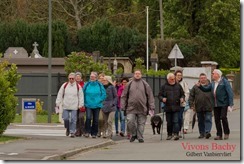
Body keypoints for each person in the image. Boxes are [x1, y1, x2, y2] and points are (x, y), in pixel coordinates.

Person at [121, 69, 155, 143]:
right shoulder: (129, 84)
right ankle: (134, 134)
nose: (137, 75)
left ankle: (140, 137)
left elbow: (150, 95)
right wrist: (122, 105)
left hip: (142, 107)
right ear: (134, 75)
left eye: (139, 73)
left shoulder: (145, 84)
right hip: (130, 107)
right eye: (136, 73)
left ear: (141, 75)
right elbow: (124, 96)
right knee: (130, 121)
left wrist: (151, 106)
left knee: (141, 123)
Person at [198, 69, 234, 140]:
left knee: (223, 117)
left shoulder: (224, 82)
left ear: (218, 74)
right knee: (217, 119)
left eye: (213, 73)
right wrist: (200, 86)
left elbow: (230, 93)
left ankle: (226, 132)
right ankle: (219, 135)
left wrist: (230, 104)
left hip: (223, 103)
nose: (212, 75)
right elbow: (207, 89)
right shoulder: (213, 83)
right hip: (215, 104)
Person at [56, 72, 84, 138]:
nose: (71, 80)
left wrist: (80, 104)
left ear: (74, 79)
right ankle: (67, 128)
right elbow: (60, 94)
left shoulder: (78, 86)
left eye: (72, 78)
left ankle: (72, 132)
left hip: (74, 106)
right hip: (66, 105)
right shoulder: (64, 85)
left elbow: (81, 96)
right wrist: (58, 102)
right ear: (68, 78)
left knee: (73, 119)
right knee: (66, 118)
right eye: (70, 78)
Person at [158, 73, 185, 140]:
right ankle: (169, 134)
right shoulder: (164, 86)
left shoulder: (178, 86)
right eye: (171, 79)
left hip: (176, 106)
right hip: (168, 107)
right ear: (168, 79)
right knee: (169, 122)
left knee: (176, 121)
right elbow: (159, 95)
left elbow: (183, 94)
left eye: (174, 79)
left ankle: (176, 134)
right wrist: (162, 99)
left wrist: (182, 98)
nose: (173, 80)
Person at [189, 73, 213, 139]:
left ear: (206, 78)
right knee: (200, 120)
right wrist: (191, 104)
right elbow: (191, 96)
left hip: (208, 105)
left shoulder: (210, 85)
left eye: (204, 78)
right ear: (199, 79)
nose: (203, 79)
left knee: (208, 119)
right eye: (201, 78)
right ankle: (202, 133)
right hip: (198, 106)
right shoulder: (195, 87)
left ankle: (207, 132)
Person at [83, 71, 106, 138]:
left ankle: (94, 133)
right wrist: (84, 101)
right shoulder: (87, 84)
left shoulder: (99, 85)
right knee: (88, 118)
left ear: (96, 78)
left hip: (97, 105)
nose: (92, 78)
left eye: (93, 77)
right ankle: (87, 131)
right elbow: (82, 93)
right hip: (88, 104)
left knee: (96, 120)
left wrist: (100, 100)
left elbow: (104, 94)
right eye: (91, 76)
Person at [174, 70, 191, 135]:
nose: (179, 77)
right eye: (178, 75)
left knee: (180, 117)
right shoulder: (172, 82)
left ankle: (181, 129)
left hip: (182, 103)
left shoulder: (184, 83)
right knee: (175, 117)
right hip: (173, 104)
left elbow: (187, 92)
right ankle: (175, 131)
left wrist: (184, 99)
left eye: (180, 75)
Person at [74, 72, 85, 137]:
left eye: (79, 76)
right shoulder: (72, 85)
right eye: (76, 76)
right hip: (74, 104)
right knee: (76, 118)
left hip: (82, 103)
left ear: (81, 78)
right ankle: (78, 130)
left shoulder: (84, 85)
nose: (78, 77)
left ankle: (82, 130)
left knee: (81, 117)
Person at [97, 73, 106, 137]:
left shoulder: (106, 85)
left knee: (104, 119)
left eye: (103, 78)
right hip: (98, 104)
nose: (101, 80)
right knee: (99, 118)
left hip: (106, 104)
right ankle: (99, 130)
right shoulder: (97, 85)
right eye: (100, 78)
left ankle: (103, 130)